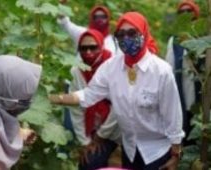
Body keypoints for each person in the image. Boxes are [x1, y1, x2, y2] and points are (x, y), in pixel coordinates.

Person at [49, 12, 184, 170]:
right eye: (121, 34)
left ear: (144, 33)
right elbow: (88, 94)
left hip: (157, 150)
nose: (126, 38)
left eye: (132, 33)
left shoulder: (161, 71)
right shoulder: (111, 68)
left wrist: (176, 154)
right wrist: (55, 98)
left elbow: (173, 115)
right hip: (130, 149)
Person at [70, 29, 120, 170]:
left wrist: (101, 136)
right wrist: (85, 142)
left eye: (93, 47)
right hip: (92, 129)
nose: (88, 52)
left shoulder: (113, 66)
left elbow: (118, 106)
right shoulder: (76, 71)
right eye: (83, 48)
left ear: (101, 46)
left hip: (116, 128)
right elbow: (76, 108)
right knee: (88, 162)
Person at [165, 0, 200, 145]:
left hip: (202, 99)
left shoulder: (204, 38)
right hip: (182, 98)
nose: (185, 14)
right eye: (182, 12)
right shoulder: (175, 41)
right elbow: (168, 71)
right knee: (184, 139)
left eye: (189, 11)